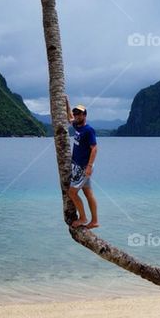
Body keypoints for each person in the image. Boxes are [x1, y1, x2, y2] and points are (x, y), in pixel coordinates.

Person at [65, 97, 98, 229]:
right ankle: (95, 221)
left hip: (83, 167)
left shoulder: (88, 130)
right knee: (88, 194)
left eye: (80, 113)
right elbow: (69, 117)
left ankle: (83, 218)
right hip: (78, 166)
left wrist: (89, 167)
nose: (77, 115)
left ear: (85, 115)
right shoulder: (77, 126)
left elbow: (94, 148)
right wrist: (67, 103)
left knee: (72, 193)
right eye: (76, 113)